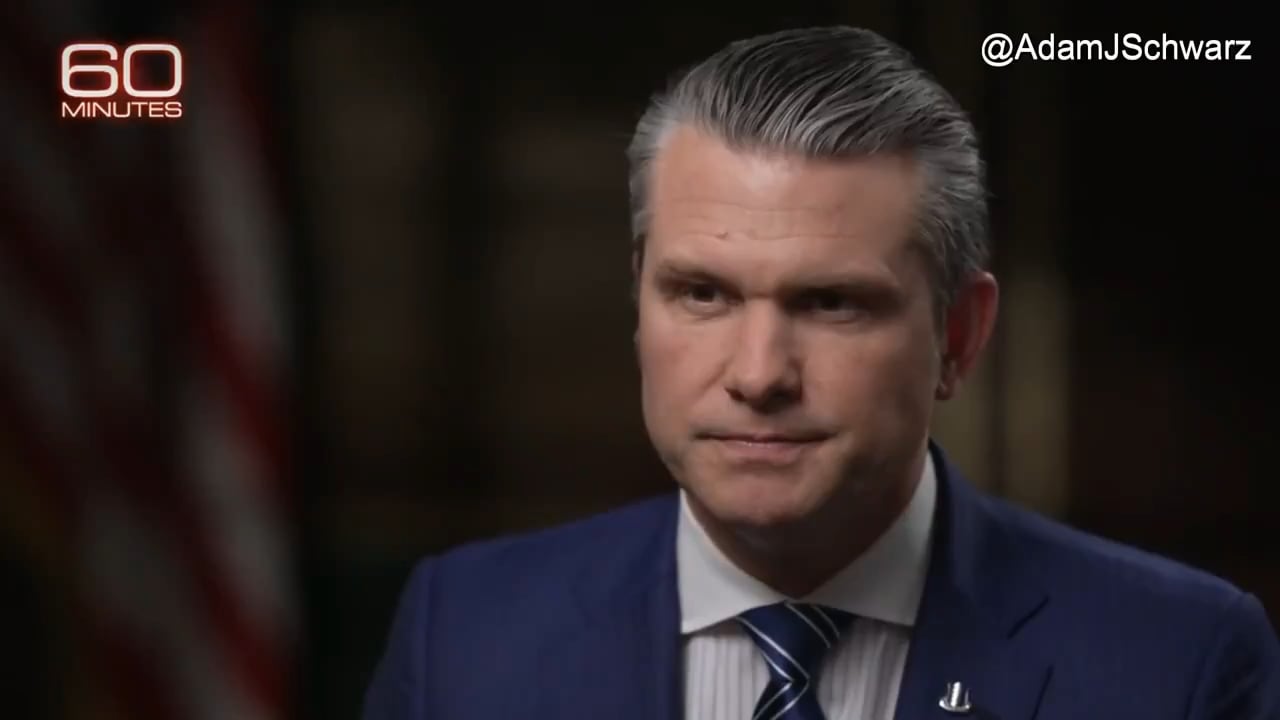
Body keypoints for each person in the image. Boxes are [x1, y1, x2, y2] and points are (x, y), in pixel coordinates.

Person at [361, 25, 1280, 719]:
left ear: (960, 334)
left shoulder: (1177, 664)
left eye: (832, 302)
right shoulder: (462, 632)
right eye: (703, 294)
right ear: (639, 300)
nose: (759, 375)